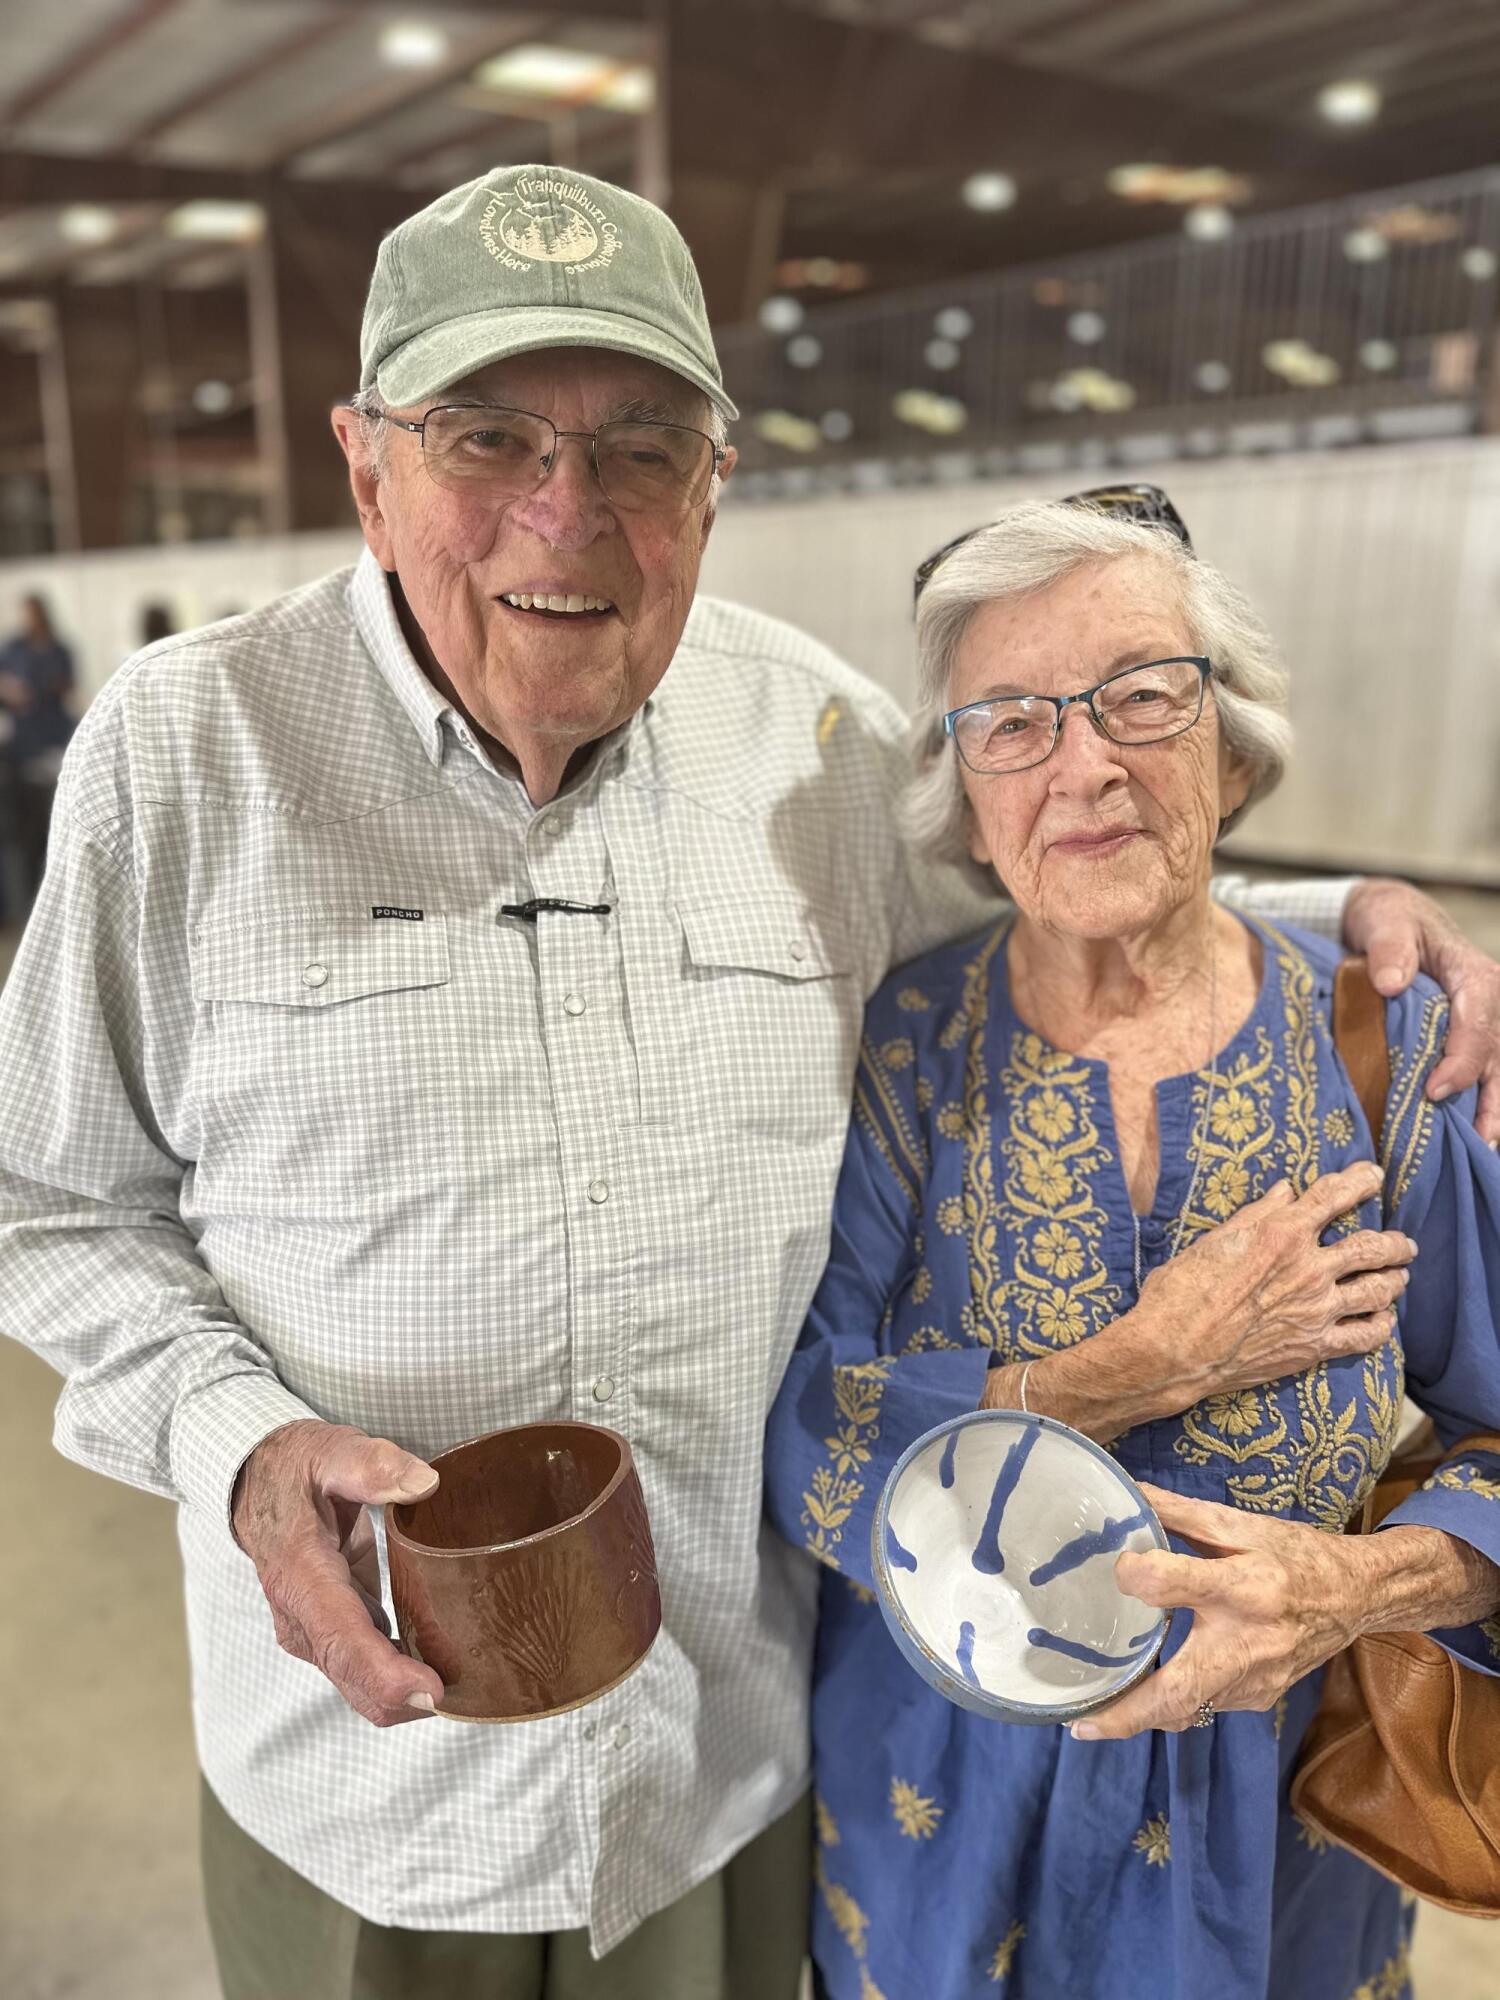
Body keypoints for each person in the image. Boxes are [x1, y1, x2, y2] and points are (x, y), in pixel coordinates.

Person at [0, 168, 1496, 2000]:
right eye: (488, 435)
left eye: (643, 445)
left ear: (716, 483)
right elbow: (50, 1204)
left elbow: (1064, 858)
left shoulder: (819, 748)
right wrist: (233, 1453)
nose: (570, 512)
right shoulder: (183, 758)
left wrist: (1344, 917)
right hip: (367, 1781)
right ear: (366, 461)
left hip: (724, 1778)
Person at [763, 498, 1500, 2000]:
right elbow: (805, 1441)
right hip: (942, 1824)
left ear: (1230, 752)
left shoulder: (1388, 1048)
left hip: (1282, 1826)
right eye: (1014, 723)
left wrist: (1356, 1588)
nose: (1085, 763)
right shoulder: (907, 1050)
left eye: (1142, 699)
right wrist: (1129, 1367)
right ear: (964, 806)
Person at [0, 591, 77, 910]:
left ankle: (52, 894)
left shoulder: (59, 648)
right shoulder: (14, 648)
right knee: (25, 831)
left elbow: (67, 685)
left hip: (53, 741)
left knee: (53, 822)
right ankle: (27, 901)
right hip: (24, 747)